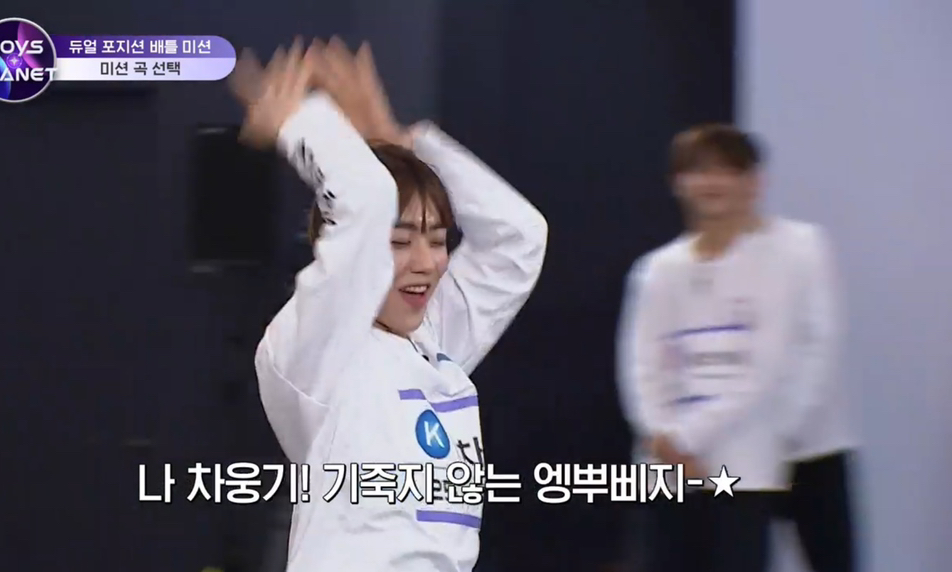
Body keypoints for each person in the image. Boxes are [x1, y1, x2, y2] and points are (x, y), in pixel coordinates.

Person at [232, 38, 548, 572]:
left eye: (438, 240)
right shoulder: (318, 350)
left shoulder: (433, 341)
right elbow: (364, 205)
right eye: (399, 242)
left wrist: (404, 143)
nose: (425, 263)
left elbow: (519, 237)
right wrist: (296, 124)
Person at [617, 124, 850, 572]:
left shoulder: (791, 252)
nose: (712, 183)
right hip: (672, 462)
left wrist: (691, 436)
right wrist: (663, 435)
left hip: (763, 447)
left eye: (726, 171)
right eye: (699, 171)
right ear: (677, 183)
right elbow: (640, 362)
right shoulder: (657, 269)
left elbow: (779, 361)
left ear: (754, 181)